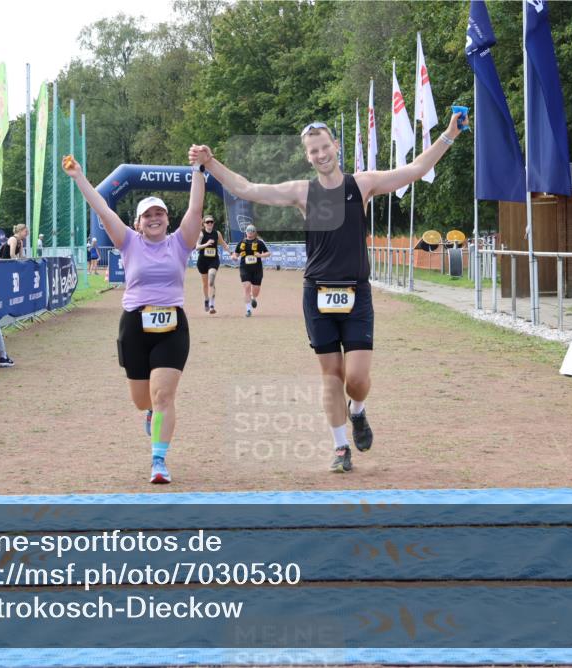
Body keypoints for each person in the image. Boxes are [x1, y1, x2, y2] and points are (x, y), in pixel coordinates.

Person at [190, 112, 464, 472]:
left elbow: (414, 170)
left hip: (356, 293)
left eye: (325, 147)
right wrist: (210, 163)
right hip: (317, 295)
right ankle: (340, 447)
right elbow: (247, 188)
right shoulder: (302, 192)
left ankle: (358, 411)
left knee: (357, 380)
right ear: (308, 156)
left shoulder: (362, 185)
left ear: (336, 146)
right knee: (332, 376)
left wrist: (449, 134)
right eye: (313, 151)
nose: (321, 155)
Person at [63, 154, 204, 484]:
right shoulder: (128, 241)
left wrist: (198, 169)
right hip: (134, 327)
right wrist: (79, 176)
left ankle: (158, 461)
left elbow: (196, 209)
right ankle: (151, 413)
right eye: (147, 215)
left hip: (172, 327)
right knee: (143, 400)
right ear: (138, 223)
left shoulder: (181, 242)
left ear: (167, 219)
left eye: (159, 213)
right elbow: (102, 209)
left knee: (164, 395)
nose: (154, 219)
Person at [231, 224, 270, 317]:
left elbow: (268, 253)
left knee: (256, 290)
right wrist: (234, 257)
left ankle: (253, 297)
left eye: (252, 230)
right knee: (247, 287)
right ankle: (248, 310)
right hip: (244, 268)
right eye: (248, 230)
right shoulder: (241, 243)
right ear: (246, 232)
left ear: (255, 232)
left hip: (257, 269)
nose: (250, 232)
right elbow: (235, 254)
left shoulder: (259, 242)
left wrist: (260, 255)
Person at [195, 215, 231, 314]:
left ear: (213, 223)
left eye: (211, 222)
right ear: (204, 224)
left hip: (213, 260)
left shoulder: (217, 233)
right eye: (207, 222)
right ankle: (206, 299)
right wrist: (206, 244)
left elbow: (223, 244)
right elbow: (197, 247)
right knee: (205, 284)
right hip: (202, 261)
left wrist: (231, 253)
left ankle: (212, 305)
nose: (209, 223)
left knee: (211, 281)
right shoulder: (201, 234)